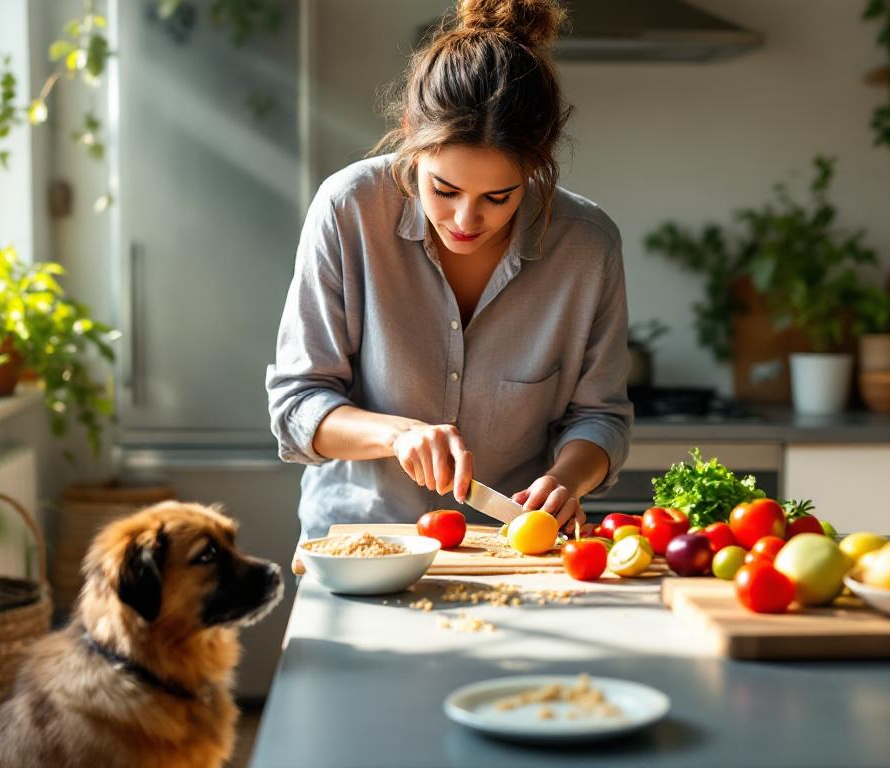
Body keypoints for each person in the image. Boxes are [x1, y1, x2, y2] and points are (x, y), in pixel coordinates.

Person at [266, 0, 631, 541]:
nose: (466, 219)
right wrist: (398, 435)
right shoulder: (349, 209)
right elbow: (298, 404)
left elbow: (601, 417)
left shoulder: (587, 246)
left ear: (537, 166)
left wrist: (565, 479)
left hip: (509, 549)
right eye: (444, 189)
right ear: (412, 134)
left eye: (498, 197)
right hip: (362, 541)